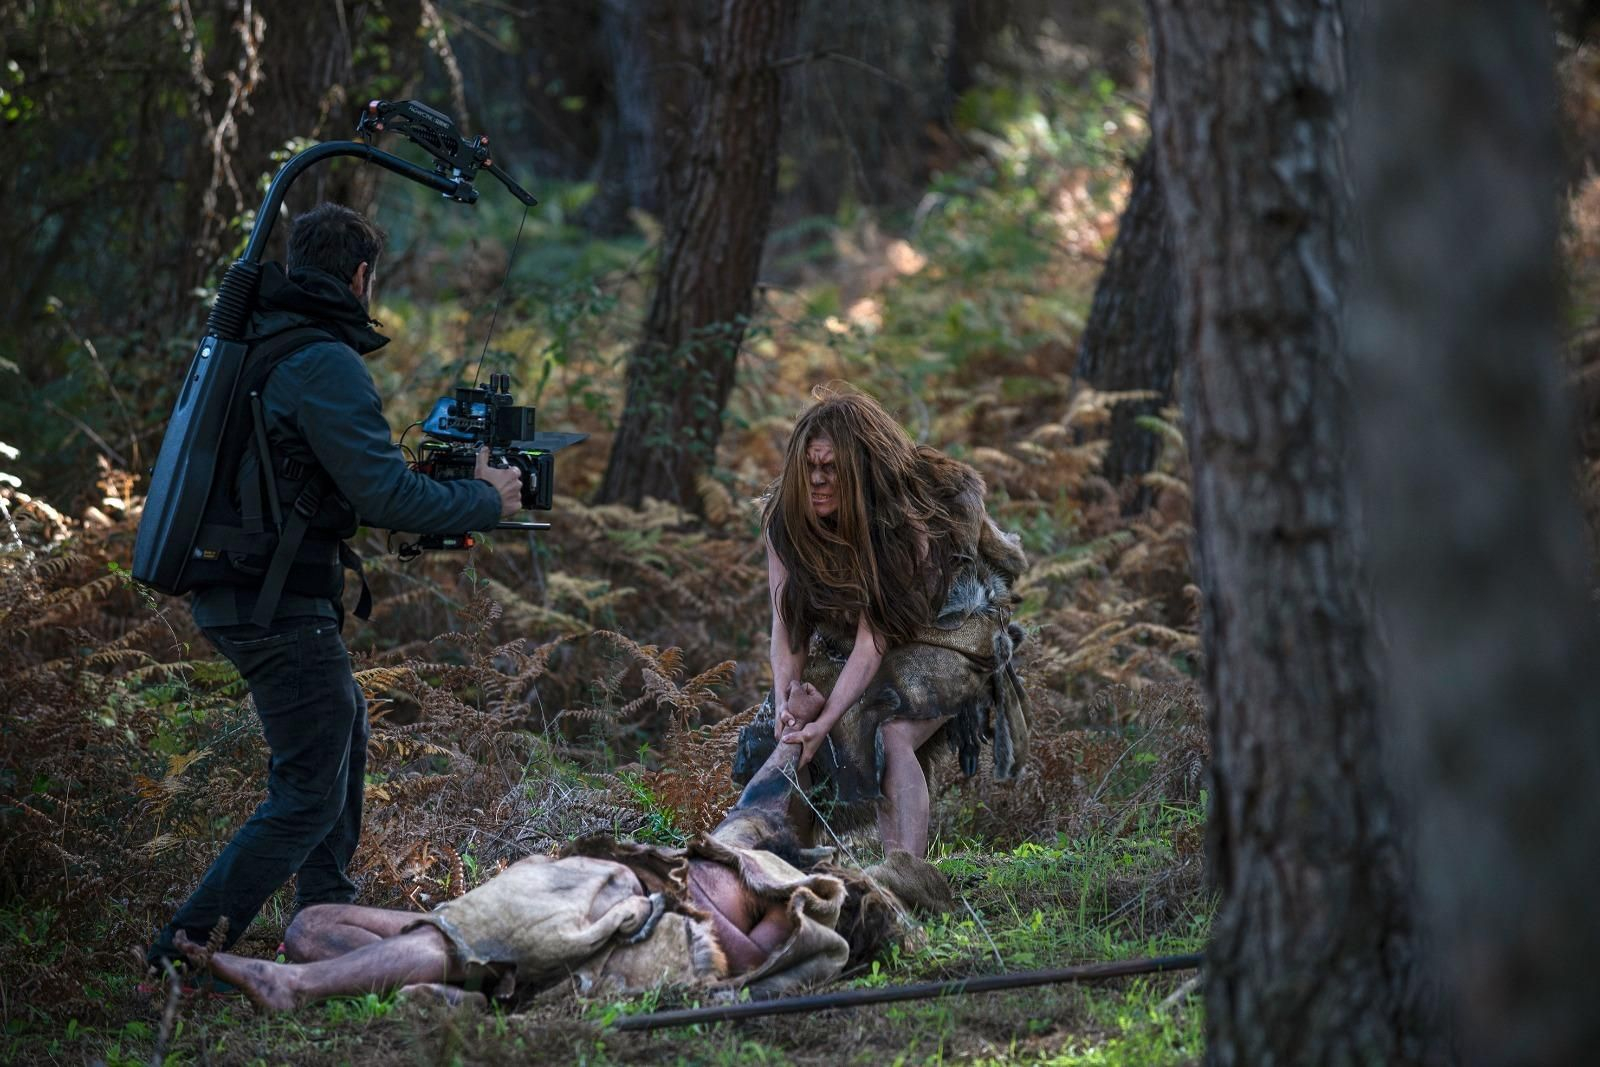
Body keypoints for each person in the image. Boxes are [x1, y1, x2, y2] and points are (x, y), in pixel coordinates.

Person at [147, 204, 524, 976]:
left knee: (340, 728)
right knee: (310, 788)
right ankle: (184, 946)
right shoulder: (322, 361)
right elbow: (385, 495)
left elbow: (338, 482)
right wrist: (487, 499)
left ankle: (319, 913)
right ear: (360, 277)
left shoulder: (266, 341)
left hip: (250, 589)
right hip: (269, 600)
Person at [173, 699, 925, 1013]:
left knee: (426, 943)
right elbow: (764, 791)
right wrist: (805, 727)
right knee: (312, 920)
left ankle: (296, 987)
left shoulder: (793, 910)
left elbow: (737, 962)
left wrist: (683, 898)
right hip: (571, 893)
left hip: (601, 915)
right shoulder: (750, 855)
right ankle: (448, 971)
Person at [733, 391, 1030, 858]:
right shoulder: (785, 521)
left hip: (953, 624)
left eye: (830, 468)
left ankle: (904, 881)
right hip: (855, 636)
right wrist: (787, 703)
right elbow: (786, 628)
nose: (817, 481)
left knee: (888, 729)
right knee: (779, 734)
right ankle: (790, 871)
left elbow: (876, 640)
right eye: (808, 468)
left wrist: (828, 717)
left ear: (857, 469)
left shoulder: (903, 521)